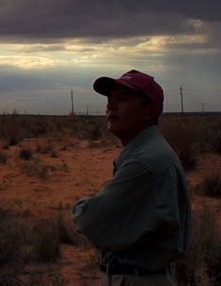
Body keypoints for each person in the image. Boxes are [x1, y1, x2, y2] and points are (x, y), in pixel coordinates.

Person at [71, 70, 191, 285]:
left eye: (123, 99)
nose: (111, 106)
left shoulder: (144, 162)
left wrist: (81, 207)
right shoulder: (148, 152)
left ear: (149, 110)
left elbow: (89, 220)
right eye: (110, 99)